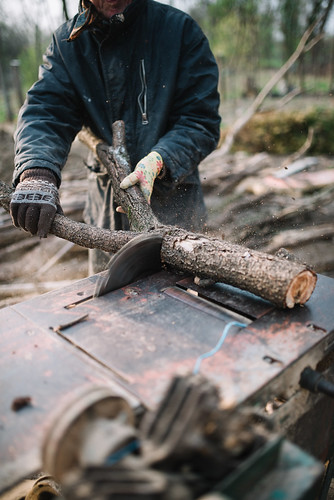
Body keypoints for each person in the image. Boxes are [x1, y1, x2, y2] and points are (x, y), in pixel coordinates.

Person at [10, 0, 221, 274]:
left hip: (174, 201)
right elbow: (47, 112)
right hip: (105, 209)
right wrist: (37, 170)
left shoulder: (179, 31)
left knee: (183, 302)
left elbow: (200, 120)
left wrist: (161, 160)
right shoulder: (68, 44)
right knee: (108, 304)